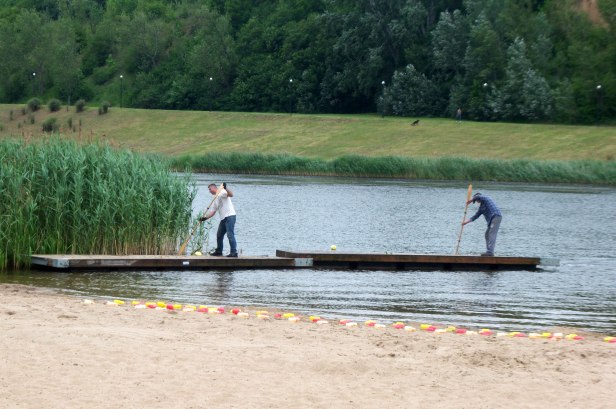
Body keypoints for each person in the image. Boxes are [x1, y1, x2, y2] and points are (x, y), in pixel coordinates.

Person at [200, 183, 237, 257]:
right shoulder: (215, 199)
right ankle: (219, 251)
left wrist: (226, 188)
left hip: (230, 216)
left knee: (230, 234)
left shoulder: (222, 192)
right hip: (223, 218)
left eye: (210, 189)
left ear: (214, 188)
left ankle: (234, 252)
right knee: (219, 235)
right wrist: (204, 218)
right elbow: (212, 212)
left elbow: (231, 194)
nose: (209, 191)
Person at [462, 192, 502, 256]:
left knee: (491, 234)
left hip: (496, 217)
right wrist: (466, 222)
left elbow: (479, 197)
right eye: (475, 200)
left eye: (476, 200)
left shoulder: (486, 198)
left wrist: (471, 200)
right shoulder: (481, 208)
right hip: (492, 220)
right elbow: (475, 216)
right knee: (487, 234)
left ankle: (490, 252)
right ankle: (489, 251)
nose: (477, 201)